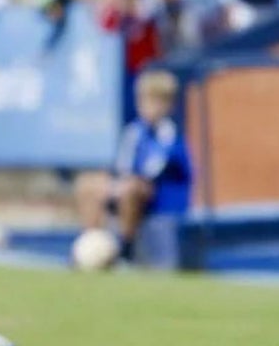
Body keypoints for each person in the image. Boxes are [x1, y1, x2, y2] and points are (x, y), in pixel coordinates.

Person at [74, 69, 192, 265]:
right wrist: (111, 184)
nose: (148, 108)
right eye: (144, 101)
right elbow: (122, 166)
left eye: (155, 102)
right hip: (130, 186)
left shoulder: (170, 134)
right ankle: (90, 241)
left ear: (168, 105)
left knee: (131, 188)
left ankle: (126, 249)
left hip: (162, 198)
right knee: (88, 184)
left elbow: (153, 171)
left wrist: (121, 184)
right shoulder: (134, 132)